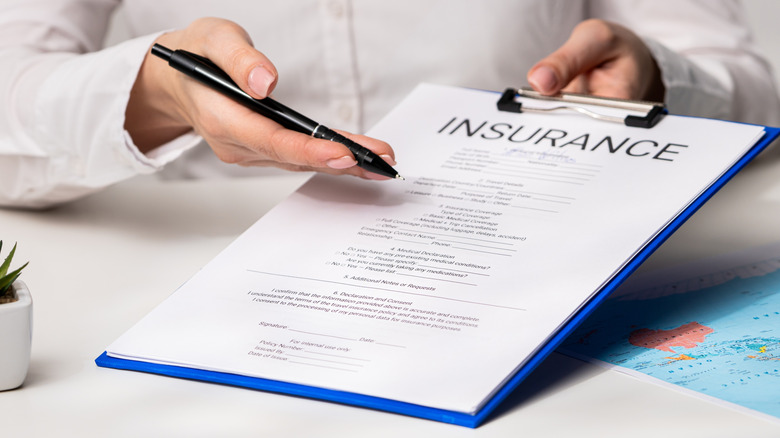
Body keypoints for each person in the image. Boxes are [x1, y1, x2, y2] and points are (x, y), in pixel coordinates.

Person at [1, 0, 778, 208]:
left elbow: (755, 90)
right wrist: (153, 92)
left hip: (522, 248)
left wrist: (663, 86)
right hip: (183, 268)